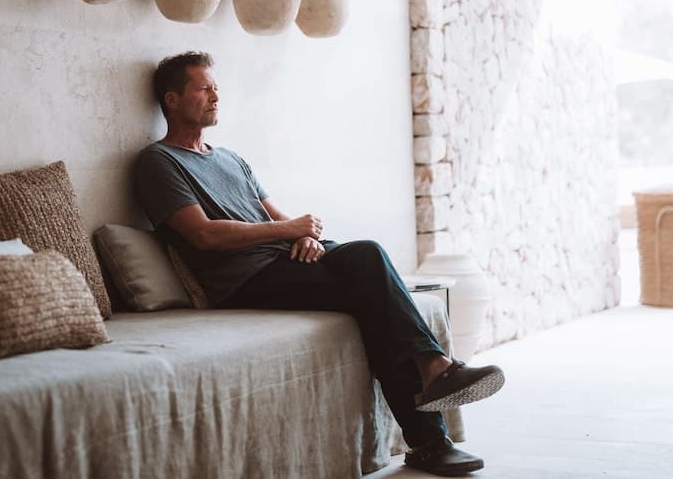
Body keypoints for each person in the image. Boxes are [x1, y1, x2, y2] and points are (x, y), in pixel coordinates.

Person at [134, 51, 505, 476]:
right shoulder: (158, 162)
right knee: (370, 277)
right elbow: (204, 234)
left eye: (216, 87)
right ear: (172, 100)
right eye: (204, 89)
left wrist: (305, 237)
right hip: (246, 278)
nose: (216, 96)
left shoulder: (231, 159)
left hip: (285, 261)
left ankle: (432, 416)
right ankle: (434, 394)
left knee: (369, 272)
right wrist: (291, 230)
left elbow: (277, 217)